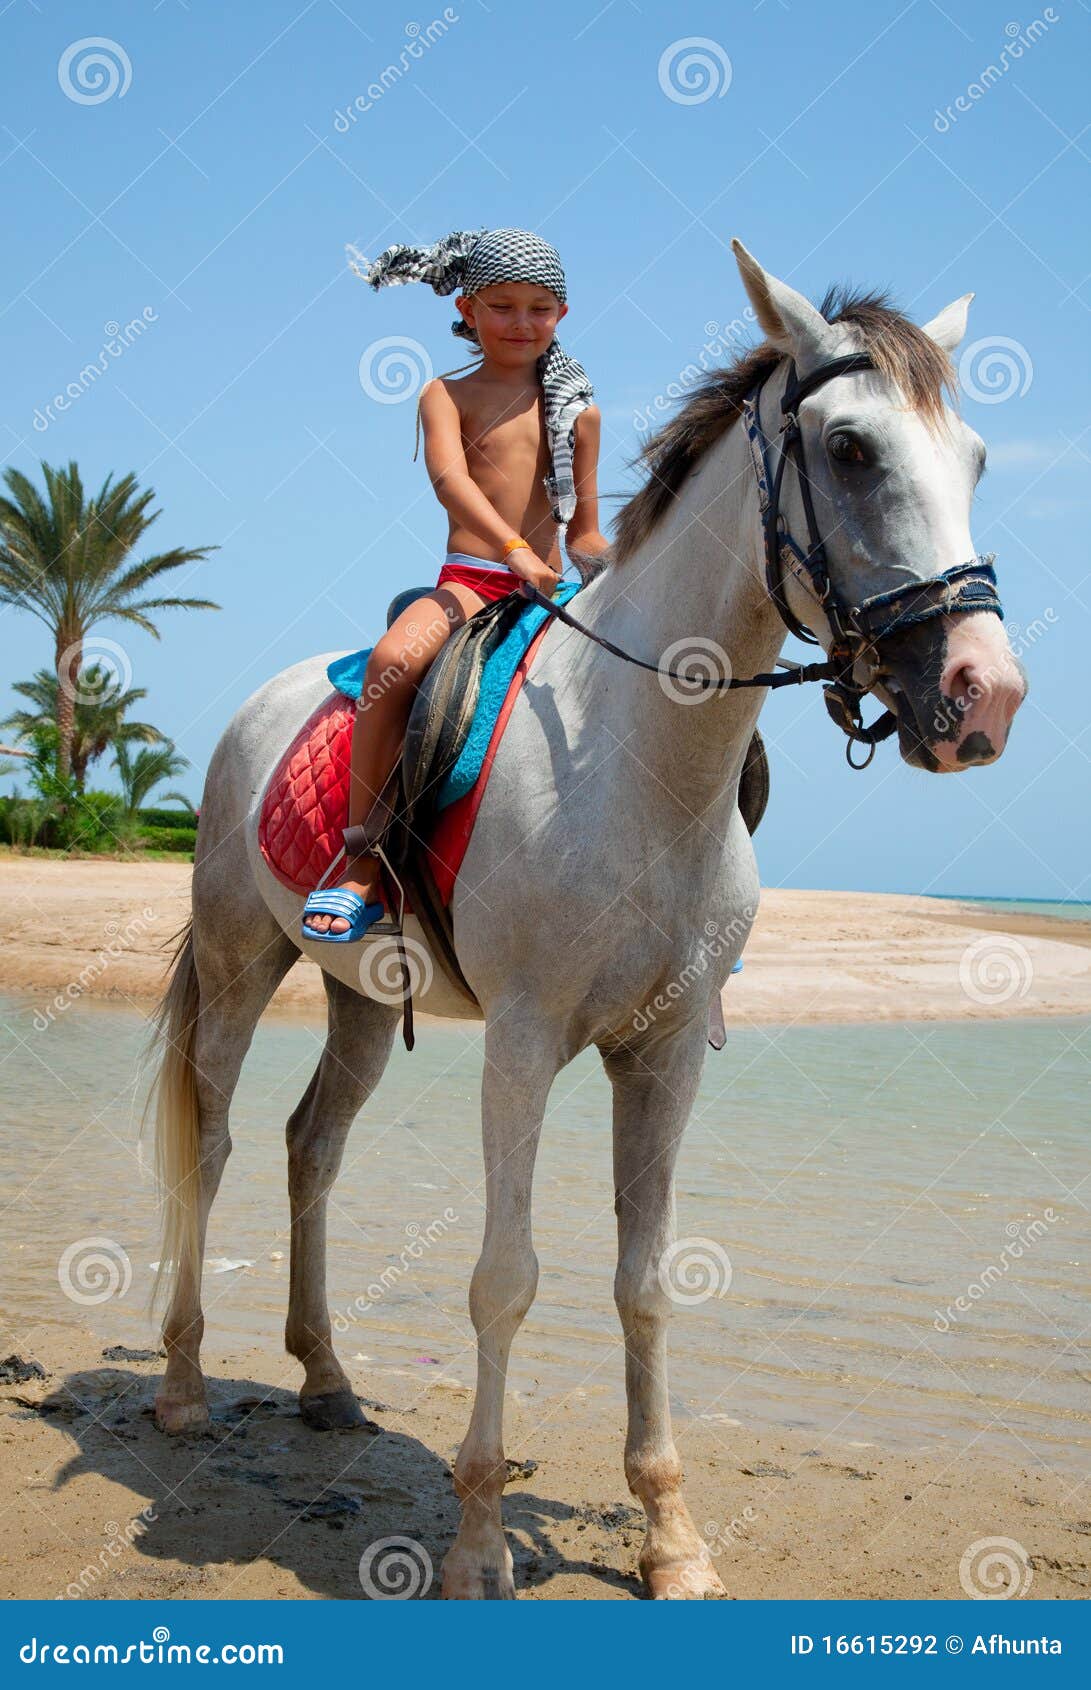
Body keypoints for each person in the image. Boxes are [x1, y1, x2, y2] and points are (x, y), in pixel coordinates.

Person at [302, 227, 611, 940]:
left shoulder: (579, 411)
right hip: (471, 582)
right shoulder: (445, 393)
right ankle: (361, 862)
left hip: (549, 594)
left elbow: (584, 530)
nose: (521, 323)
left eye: (539, 308)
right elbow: (450, 480)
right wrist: (513, 551)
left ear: (561, 316)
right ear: (468, 310)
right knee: (392, 664)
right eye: (502, 307)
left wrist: (611, 565)